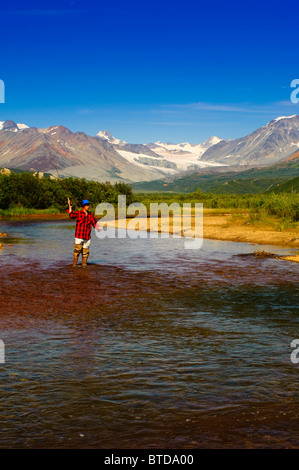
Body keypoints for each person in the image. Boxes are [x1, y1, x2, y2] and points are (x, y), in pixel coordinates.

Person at [67, 198, 102, 267]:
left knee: (85, 253)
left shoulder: (90, 214)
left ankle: (84, 266)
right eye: (86, 205)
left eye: (88, 205)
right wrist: (70, 206)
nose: (88, 206)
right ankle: (74, 266)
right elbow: (71, 215)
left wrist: (98, 228)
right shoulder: (79, 213)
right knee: (76, 252)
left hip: (87, 237)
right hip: (79, 236)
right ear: (83, 206)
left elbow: (95, 223)